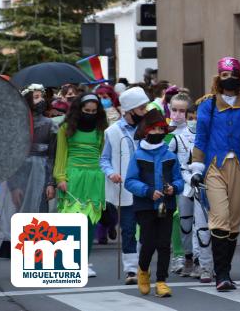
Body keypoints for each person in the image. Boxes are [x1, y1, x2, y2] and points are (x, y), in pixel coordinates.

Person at [190, 56, 240, 291]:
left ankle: (225, 272)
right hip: (214, 167)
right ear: (218, 78)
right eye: (224, 75)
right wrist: (197, 168)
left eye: (233, 75)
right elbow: (201, 138)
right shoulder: (208, 104)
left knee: (235, 221)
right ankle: (221, 274)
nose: (229, 79)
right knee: (220, 217)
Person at [125, 109, 184, 298]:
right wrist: (148, 191)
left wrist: (173, 188)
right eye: (154, 129)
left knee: (164, 244)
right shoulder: (138, 155)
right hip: (144, 206)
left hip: (167, 205)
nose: (158, 133)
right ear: (146, 131)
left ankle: (161, 281)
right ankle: (143, 271)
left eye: (161, 129)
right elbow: (130, 181)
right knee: (148, 242)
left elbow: (180, 180)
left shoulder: (170, 156)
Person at [0, 84, 57, 258]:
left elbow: (53, 155)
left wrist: (51, 181)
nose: (41, 101)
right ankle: (16, 245)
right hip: (21, 171)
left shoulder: (50, 125)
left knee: (39, 208)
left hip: (41, 173)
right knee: (18, 208)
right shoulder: (18, 125)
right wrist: (14, 185)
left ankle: (37, 247)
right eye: (36, 97)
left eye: (42, 97)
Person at [99, 86, 150, 284]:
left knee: (146, 229)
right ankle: (131, 270)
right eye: (141, 109)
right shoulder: (111, 132)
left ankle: (142, 266)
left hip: (146, 187)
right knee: (128, 229)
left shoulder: (147, 129)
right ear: (129, 110)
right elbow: (104, 159)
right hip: (126, 189)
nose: (144, 112)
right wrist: (111, 173)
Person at [54, 93, 108, 278]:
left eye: (94, 111)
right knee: (70, 221)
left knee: (89, 222)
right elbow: (61, 154)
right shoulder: (66, 128)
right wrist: (60, 177)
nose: (90, 114)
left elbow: (102, 155)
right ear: (79, 109)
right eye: (87, 111)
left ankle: (84, 261)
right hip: (72, 177)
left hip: (94, 178)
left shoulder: (101, 130)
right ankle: (67, 260)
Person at [167, 93, 212, 281]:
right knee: (185, 224)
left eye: (183, 112)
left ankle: (200, 262)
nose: (178, 115)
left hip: (201, 184)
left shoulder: (201, 135)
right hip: (182, 185)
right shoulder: (171, 136)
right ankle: (186, 257)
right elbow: (167, 161)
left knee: (201, 225)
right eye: (174, 110)